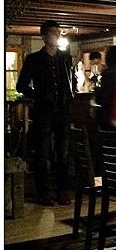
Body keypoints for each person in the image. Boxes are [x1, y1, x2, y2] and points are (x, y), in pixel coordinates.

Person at [16, 20, 76, 206]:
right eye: (53, 32)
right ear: (44, 36)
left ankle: (61, 190)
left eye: (59, 32)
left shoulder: (65, 58)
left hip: (63, 111)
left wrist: (70, 96)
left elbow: (70, 80)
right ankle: (44, 191)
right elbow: (21, 85)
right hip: (44, 111)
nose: (57, 35)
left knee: (63, 152)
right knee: (43, 153)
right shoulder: (34, 59)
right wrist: (40, 96)